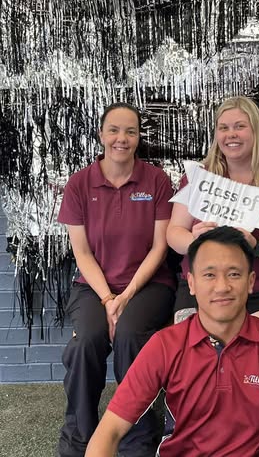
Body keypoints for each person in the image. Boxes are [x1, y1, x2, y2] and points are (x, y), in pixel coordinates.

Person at [85, 226, 259, 457]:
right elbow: (109, 431)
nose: (222, 286)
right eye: (209, 275)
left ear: (251, 281)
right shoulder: (165, 346)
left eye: (234, 274)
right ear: (191, 283)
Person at [166, 95, 259, 442]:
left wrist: (256, 246)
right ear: (216, 133)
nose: (231, 134)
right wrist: (198, 241)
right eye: (223, 127)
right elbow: (174, 233)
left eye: (239, 126)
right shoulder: (200, 177)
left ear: (256, 130)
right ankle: (202, 418)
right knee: (192, 351)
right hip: (206, 288)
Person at [57, 102, 176, 457]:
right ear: (101, 134)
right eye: (114, 130)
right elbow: (82, 253)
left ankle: (138, 437)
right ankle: (80, 435)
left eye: (130, 131)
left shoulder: (157, 181)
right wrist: (109, 299)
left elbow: (159, 249)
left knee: (129, 336)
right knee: (85, 343)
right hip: (94, 287)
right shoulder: (80, 184)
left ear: (139, 138)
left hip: (149, 284)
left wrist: (126, 298)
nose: (121, 138)